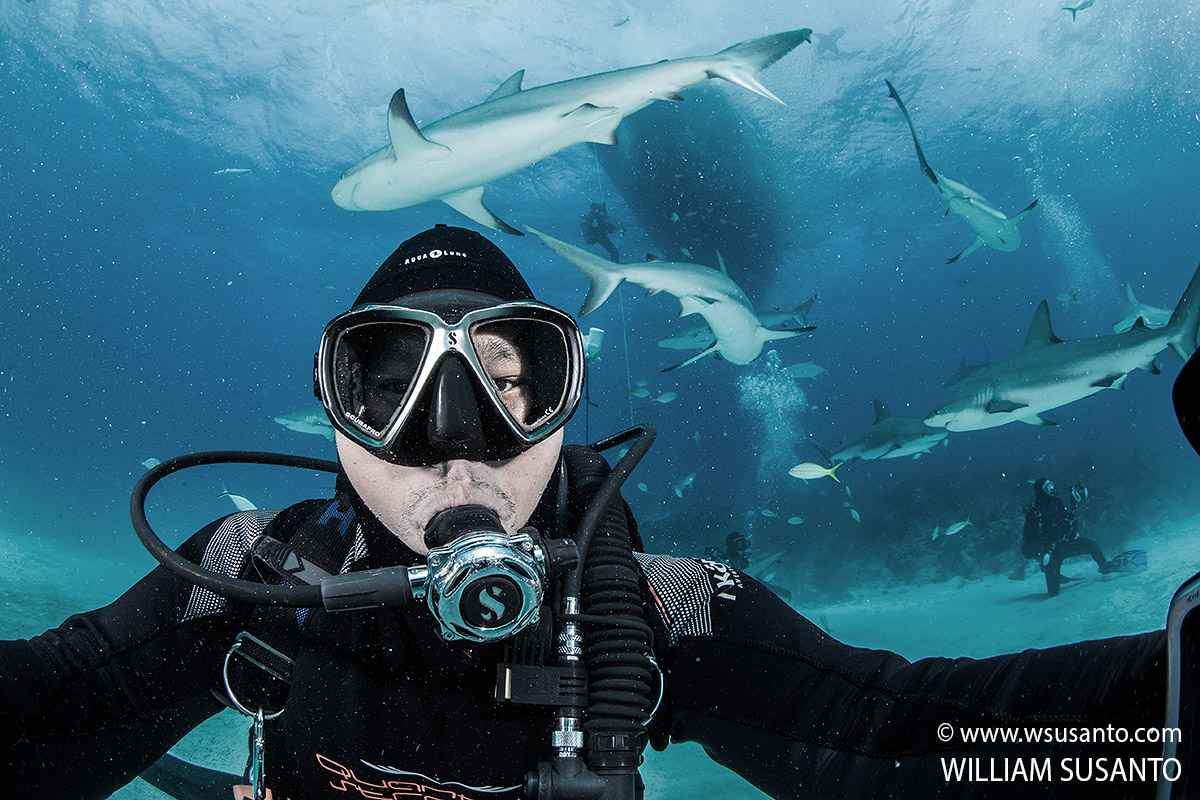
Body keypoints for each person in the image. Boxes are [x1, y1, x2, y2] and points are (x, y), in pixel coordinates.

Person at [0, 225, 1191, 800]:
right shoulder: (247, 573)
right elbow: (36, 715)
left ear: (571, 412)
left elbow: (922, 735)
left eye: (513, 385)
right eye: (389, 382)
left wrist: (1175, 707)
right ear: (330, 413)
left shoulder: (652, 610)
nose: (458, 439)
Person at [1021, 478, 1115, 597]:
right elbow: (1028, 545)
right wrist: (1045, 546)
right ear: (1041, 491)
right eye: (1047, 487)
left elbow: (1068, 520)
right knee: (1053, 593)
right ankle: (1052, 573)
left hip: (1065, 545)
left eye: (1051, 485)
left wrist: (1073, 527)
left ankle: (1104, 566)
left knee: (1091, 545)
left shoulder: (1056, 502)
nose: (1051, 489)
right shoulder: (1034, 513)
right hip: (1051, 553)